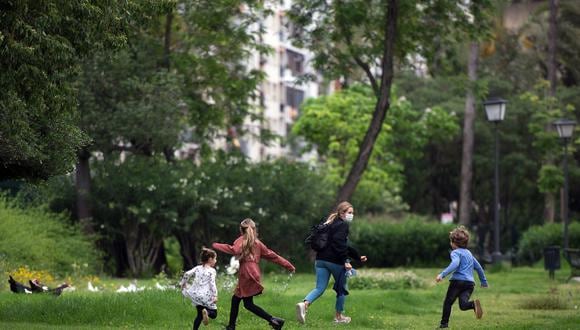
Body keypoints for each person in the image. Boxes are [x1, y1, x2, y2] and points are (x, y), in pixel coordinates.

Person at [212, 218, 295, 330]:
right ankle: (272, 321)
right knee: (240, 301)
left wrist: (215, 245)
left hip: (246, 273)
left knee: (244, 302)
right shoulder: (258, 243)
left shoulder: (241, 240)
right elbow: (273, 256)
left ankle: (273, 320)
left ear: (241, 230)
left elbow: (234, 250)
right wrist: (288, 265)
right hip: (253, 272)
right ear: (254, 230)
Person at [296, 201, 367, 325]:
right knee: (342, 289)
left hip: (320, 260)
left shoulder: (329, 223)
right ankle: (339, 317)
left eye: (352, 213)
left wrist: (357, 257)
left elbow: (343, 245)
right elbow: (339, 244)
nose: (352, 215)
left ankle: (304, 304)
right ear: (341, 213)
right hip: (335, 261)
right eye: (350, 213)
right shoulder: (342, 225)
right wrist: (346, 261)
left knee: (319, 288)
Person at [435, 226, 489, 328]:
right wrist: (484, 281)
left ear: (454, 243)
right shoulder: (469, 253)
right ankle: (473, 304)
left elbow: (455, 264)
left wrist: (442, 274)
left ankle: (444, 325)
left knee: (448, 302)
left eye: (451, 241)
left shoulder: (455, 252)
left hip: (457, 282)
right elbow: (478, 267)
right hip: (469, 284)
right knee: (463, 305)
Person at [180, 247, 219, 330]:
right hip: (206, 296)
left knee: (199, 315)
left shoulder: (197, 268)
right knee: (214, 314)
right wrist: (215, 295)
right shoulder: (212, 271)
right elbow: (212, 283)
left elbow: (187, 274)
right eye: (215, 259)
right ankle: (207, 312)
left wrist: (183, 284)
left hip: (196, 295)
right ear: (210, 259)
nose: (216, 261)